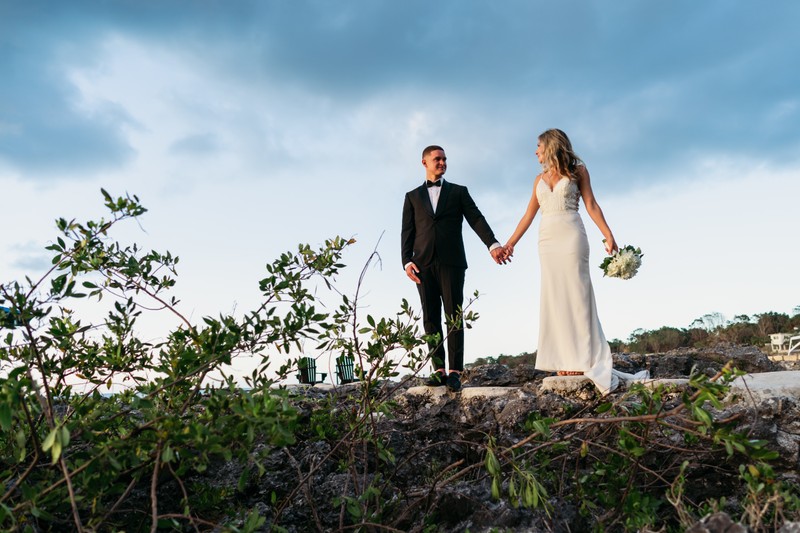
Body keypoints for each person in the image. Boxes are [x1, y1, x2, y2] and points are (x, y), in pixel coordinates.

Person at [503, 129, 638, 393]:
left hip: (572, 235)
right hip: (547, 240)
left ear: (551, 146)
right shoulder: (537, 180)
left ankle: (582, 358)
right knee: (555, 296)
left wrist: (608, 235)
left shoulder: (578, 171)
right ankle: (564, 359)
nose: (535, 151)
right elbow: (528, 216)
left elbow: (591, 204)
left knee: (577, 293)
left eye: (538, 146)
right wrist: (510, 245)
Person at [401, 145, 507, 392]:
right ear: (424, 162)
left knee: (453, 316)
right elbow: (407, 231)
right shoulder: (412, 196)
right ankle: (438, 370)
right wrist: (406, 261)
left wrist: (492, 244)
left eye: (444, 159)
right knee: (430, 317)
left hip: (452, 262)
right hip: (423, 264)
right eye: (437, 159)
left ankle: (455, 372)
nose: (442, 162)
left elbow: (476, 219)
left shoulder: (459, 192)